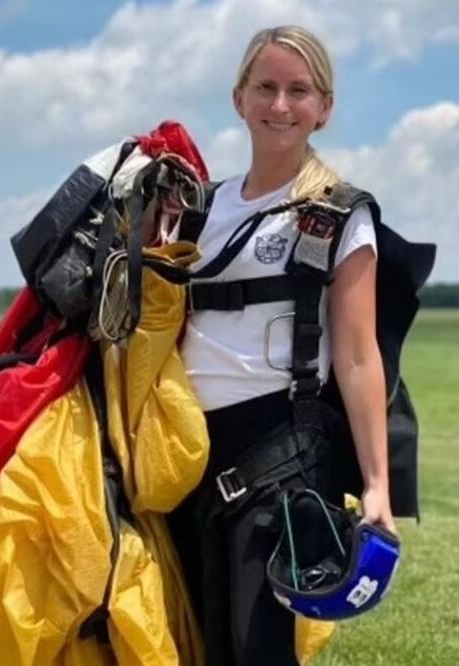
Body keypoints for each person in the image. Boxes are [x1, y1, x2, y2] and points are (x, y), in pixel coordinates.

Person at [165, 26, 395, 666]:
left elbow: (356, 356)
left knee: (256, 645)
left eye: (299, 90)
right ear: (239, 99)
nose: (281, 104)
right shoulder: (199, 212)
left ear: (324, 107)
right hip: (187, 451)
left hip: (283, 451)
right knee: (200, 642)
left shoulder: (338, 213)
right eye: (266, 87)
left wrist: (377, 485)